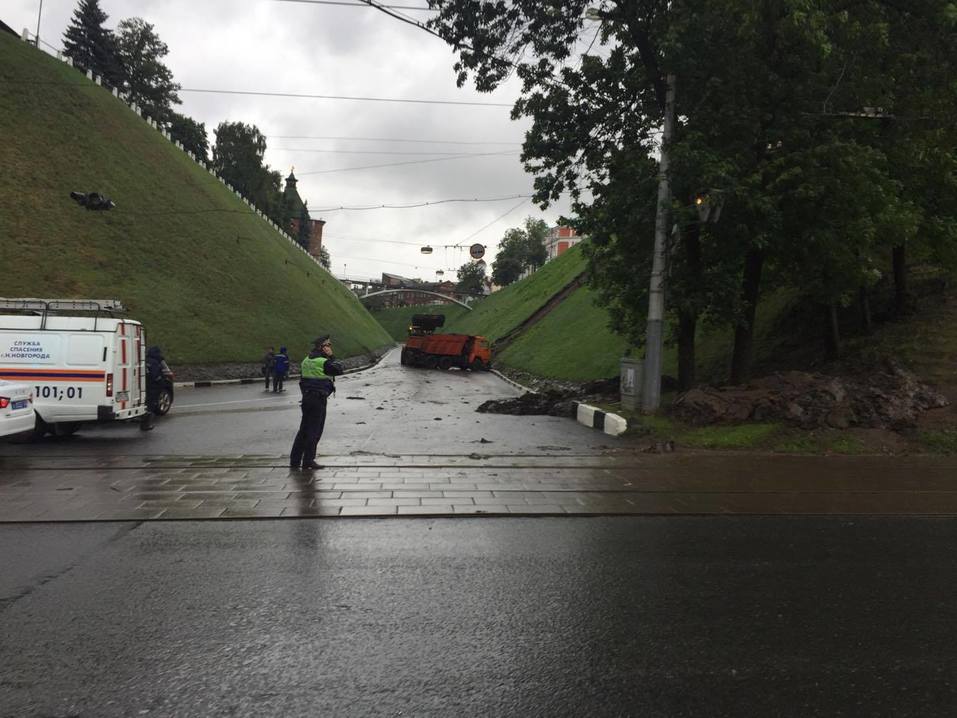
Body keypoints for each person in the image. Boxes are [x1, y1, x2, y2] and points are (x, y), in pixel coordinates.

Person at [290, 335, 344, 470]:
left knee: (304, 429)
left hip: (307, 398)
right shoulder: (323, 361)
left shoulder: (306, 360)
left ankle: (295, 460)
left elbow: (302, 380)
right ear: (322, 347)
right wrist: (332, 356)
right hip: (318, 399)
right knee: (315, 430)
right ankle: (308, 460)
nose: (330, 347)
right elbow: (339, 370)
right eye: (328, 345)